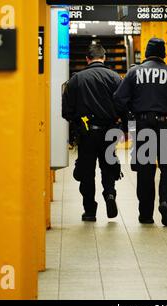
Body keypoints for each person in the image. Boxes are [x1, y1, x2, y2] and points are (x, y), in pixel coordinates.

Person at [113, 38, 167, 227]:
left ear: (147, 54)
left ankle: (146, 215)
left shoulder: (134, 73)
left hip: (143, 126)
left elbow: (118, 99)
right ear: (163, 53)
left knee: (145, 170)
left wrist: (131, 113)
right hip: (166, 124)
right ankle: (165, 202)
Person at [62, 43, 123, 222]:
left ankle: (90, 211)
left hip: (86, 133)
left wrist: (78, 123)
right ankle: (110, 194)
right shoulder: (115, 78)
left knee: (87, 172)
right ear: (104, 58)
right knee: (108, 167)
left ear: (87, 59)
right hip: (109, 131)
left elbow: (66, 110)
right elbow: (123, 104)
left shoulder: (76, 79)